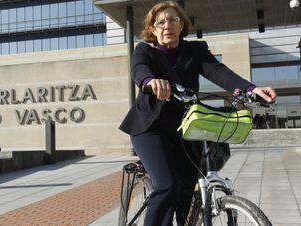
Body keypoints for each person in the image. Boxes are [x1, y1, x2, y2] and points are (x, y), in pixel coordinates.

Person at [119, 1, 277, 225]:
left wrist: (251, 89)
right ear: (153, 30)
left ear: (181, 24)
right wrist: (150, 81)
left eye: (173, 19)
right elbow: (139, 69)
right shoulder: (145, 51)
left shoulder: (195, 51)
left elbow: (219, 72)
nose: (167, 26)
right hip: (150, 129)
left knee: (185, 192)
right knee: (167, 186)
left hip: (186, 129)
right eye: (161, 22)